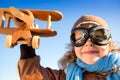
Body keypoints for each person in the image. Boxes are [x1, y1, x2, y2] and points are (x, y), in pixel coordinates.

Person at [18, 15, 120, 80]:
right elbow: (33, 76)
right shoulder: (64, 76)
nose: (88, 43)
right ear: (73, 47)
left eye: (98, 37)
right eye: (80, 38)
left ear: (109, 44)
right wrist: (28, 48)